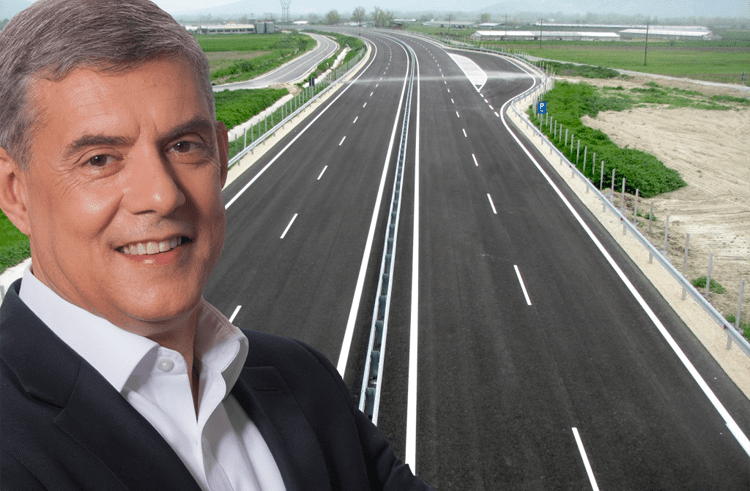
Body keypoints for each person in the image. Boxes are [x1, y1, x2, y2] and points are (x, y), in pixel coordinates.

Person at [0, 1, 432, 489]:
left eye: (183, 146)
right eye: (100, 159)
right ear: (15, 192)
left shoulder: (303, 378)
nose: (161, 195)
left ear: (221, 158)